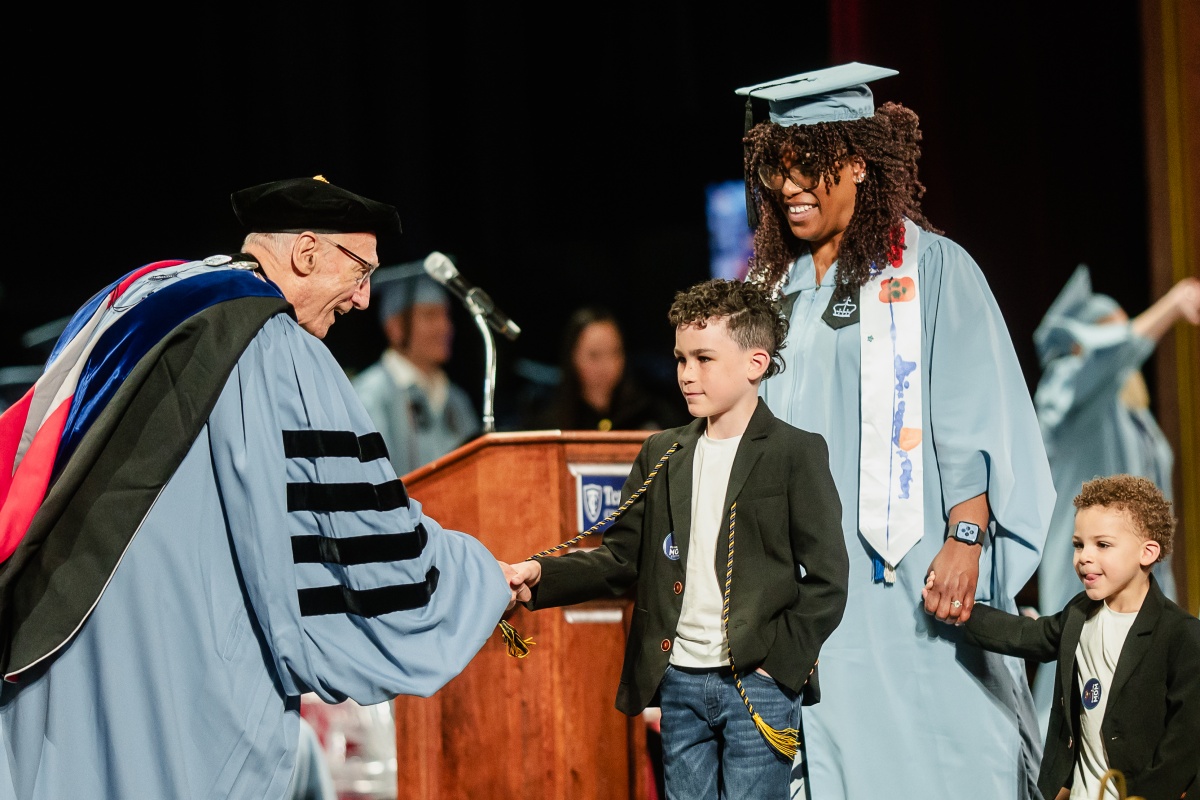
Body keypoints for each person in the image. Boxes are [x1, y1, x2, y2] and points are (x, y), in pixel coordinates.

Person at [0, 175, 523, 800]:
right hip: (169, 672)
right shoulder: (275, 344)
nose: (361, 300)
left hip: (55, 634)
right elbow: (353, 534)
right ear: (306, 253)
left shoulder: (146, 293)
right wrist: (476, 576)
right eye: (360, 273)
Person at [737, 63, 1055, 798]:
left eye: (806, 164)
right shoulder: (764, 292)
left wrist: (968, 536)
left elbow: (975, 408)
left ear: (855, 159)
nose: (788, 186)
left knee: (944, 746)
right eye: (776, 168)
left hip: (908, 574)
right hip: (801, 582)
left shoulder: (932, 270)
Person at [507, 277, 849, 799]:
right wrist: (542, 575)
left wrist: (777, 669)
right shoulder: (663, 453)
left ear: (756, 363)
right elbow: (622, 558)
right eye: (680, 359)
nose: (686, 375)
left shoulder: (794, 452)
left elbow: (827, 580)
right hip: (682, 682)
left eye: (704, 359)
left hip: (756, 684)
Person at [953, 474, 1200, 800]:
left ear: (1147, 552)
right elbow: (1027, 635)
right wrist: (957, 608)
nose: (1084, 557)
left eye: (1103, 545)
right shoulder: (1080, 613)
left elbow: (1185, 740)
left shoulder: (1181, 635)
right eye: (1078, 544)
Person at [1030, 264, 1200, 734]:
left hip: (1145, 581)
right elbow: (1108, 358)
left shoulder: (1134, 416)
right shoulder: (1067, 397)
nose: (1126, 344)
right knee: (1081, 693)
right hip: (1091, 574)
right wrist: (1172, 304)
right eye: (1109, 336)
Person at [351, 259, 481, 477]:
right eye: (430, 315)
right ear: (395, 328)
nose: (445, 327)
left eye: (446, 315)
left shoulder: (457, 400)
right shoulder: (369, 396)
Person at [521, 305, 686, 432]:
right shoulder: (550, 425)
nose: (606, 366)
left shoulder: (651, 415)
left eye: (615, 352)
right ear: (572, 357)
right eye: (594, 355)